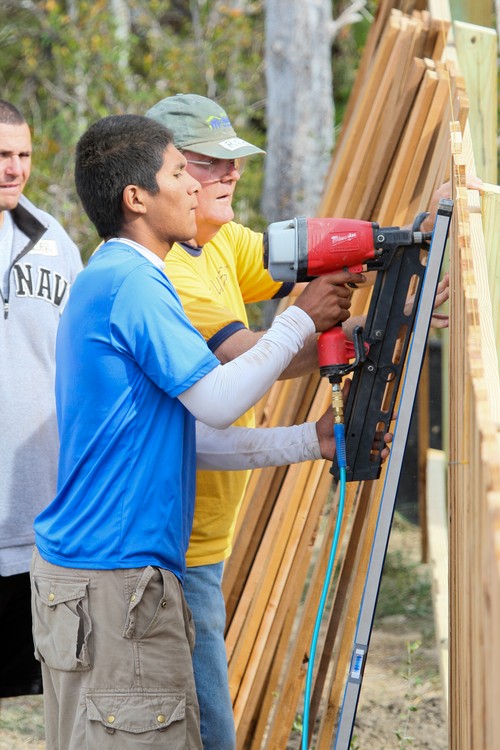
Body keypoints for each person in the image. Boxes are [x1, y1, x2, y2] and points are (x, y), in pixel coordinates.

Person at [30, 113, 365, 749]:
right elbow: (215, 400)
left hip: (99, 579)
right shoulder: (135, 282)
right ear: (137, 199)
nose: (192, 187)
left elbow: (191, 438)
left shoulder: (118, 275)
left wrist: (307, 441)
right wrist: (298, 322)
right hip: (115, 581)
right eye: (179, 172)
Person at [145, 93, 454, 750]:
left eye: (234, 162)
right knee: (207, 736)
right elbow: (250, 360)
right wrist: (372, 323)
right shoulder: (171, 273)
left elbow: (295, 256)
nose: (232, 175)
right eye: (211, 165)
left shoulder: (218, 240)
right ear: (161, 171)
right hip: (170, 546)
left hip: (201, 535)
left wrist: (391, 257)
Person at [0, 99, 82, 699]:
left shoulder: (53, 242)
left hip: (37, 518)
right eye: (3, 155)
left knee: (48, 691)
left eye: (24, 155)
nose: (15, 169)